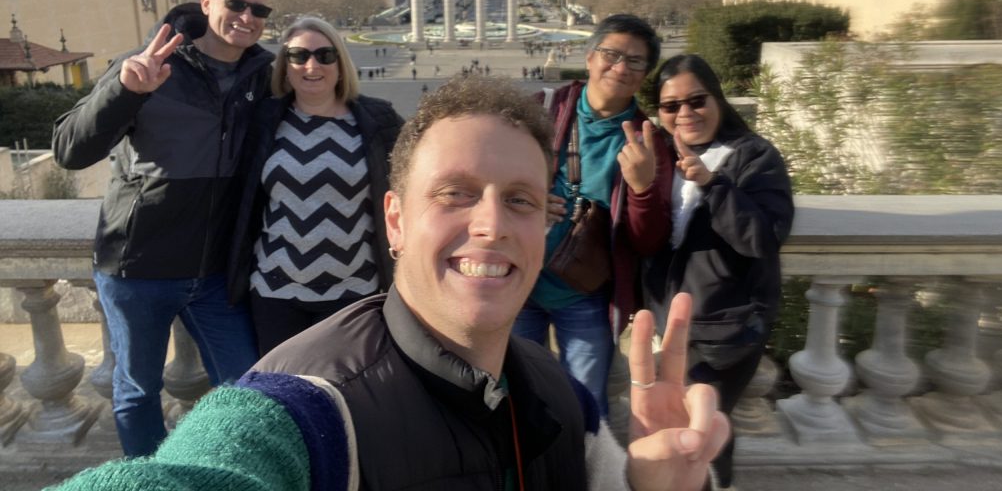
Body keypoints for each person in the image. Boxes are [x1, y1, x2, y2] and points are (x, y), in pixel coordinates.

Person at [49, 75, 729, 491]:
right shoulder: (305, 408)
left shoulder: (561, 394)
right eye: (456, 194)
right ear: (395, 222)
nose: (492, 224)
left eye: (521, 199)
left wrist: (651, 487)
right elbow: (214, 465)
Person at [51, 0, 275, 457]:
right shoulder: (149, 63)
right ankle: (149, 478)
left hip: (216, 274)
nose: (247, 16)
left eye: (259, 9)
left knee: (249, 389)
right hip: (138, 269)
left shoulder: (263, 75)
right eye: (235, 3)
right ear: (207, 3)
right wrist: (125, 90)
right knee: (137, 392)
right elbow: (69, 150)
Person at [642, 54, 794, 491]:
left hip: (726, 326)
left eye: (696, 100)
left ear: (718, 100)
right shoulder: (661, 154)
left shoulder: (754, 156)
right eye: (671, 106)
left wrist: (713, 185)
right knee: (678, 426)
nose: (684, 114)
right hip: (673, 325)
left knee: (703, 430)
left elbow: (762, 238)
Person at [513, 14, 671, 417]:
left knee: (586, 406)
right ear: (589, 57)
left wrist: (642, 187)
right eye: (611, 54)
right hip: (518, 282)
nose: (620, 67)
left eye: (635, 61)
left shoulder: (650, 140)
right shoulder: (541, 110)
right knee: (515, 397)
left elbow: (648, 241)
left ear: (644, 74)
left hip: (585, 293)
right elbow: (491, 178)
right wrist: (525, 200)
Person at [227, 16, 404, 356]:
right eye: (298, 55)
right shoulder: (262, 120)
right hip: (276, 293)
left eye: (325, 56)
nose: (312, 65)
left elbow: (422, 170)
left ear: (340, 64)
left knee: (347, 396)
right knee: (284, 397)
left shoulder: (376, 120)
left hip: (355, 292)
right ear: (285, 65)